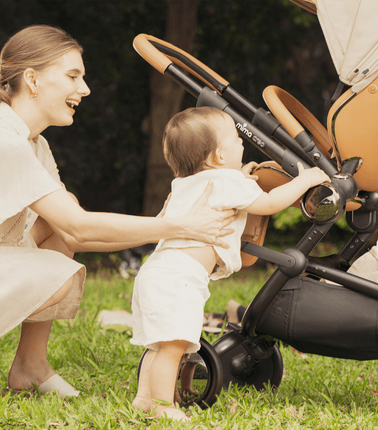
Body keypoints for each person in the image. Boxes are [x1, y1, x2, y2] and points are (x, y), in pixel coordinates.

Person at [0, 25, 238, 399]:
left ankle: (30, 366)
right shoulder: (5, 140)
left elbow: (70, 225)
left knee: (57, 222)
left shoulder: (33, 143)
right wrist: (179, 226)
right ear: (32, 79)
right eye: (72, 76)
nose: (85, 89)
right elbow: (81, 230)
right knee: (59, 270)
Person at [131, 106, 330, 421]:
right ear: (218, 157)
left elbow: (218, 195)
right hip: (179, 277)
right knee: (174, 344)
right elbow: (268, 203)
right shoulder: (227, 180)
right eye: (236, 139)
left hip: (158, 271)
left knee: (162, 344)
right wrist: (304, 180)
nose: (242, 143)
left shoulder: (184, 184)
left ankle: (145, 398)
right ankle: (162, 405)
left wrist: (240, 178)